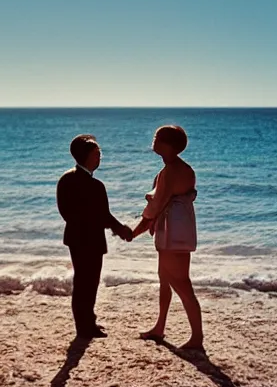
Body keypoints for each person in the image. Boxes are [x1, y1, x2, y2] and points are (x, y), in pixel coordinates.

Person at [132, 125, 204, 351]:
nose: (154, 139)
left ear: (169, 145)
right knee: (165, 279)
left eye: (158, 137)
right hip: (173, 231)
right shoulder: (172, 169)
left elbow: (156, 205)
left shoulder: (173, 171)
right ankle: (160, 326)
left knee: (181, 284)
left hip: (175, 234)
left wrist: (133, 232)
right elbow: (160, 204)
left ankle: (197, 338)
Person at [57, 134, 133, 339]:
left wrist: (114, 226)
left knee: (86, 283)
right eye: (97, 154)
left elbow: (69, 213)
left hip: (79, 238)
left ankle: (87, 323)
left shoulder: (67, 179)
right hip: (87, 239)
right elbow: (103, 216)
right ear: (86, 156)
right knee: (86, 283)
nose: (100, 157)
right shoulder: (93, 185)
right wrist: (121, 229)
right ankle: (85, 327)